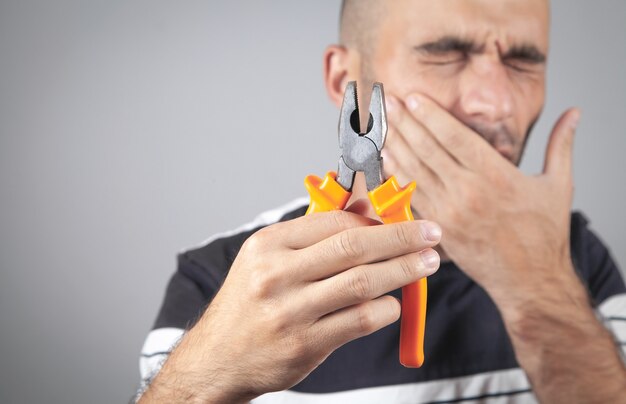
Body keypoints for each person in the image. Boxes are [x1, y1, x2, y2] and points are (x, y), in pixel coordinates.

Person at [136, 1, 626, 402]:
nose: (494, 103)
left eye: (523, 61)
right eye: (443, 52)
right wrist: (202, 381)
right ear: (342, 80)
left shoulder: (576, 260)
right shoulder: (219, 281)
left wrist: (535, 284)